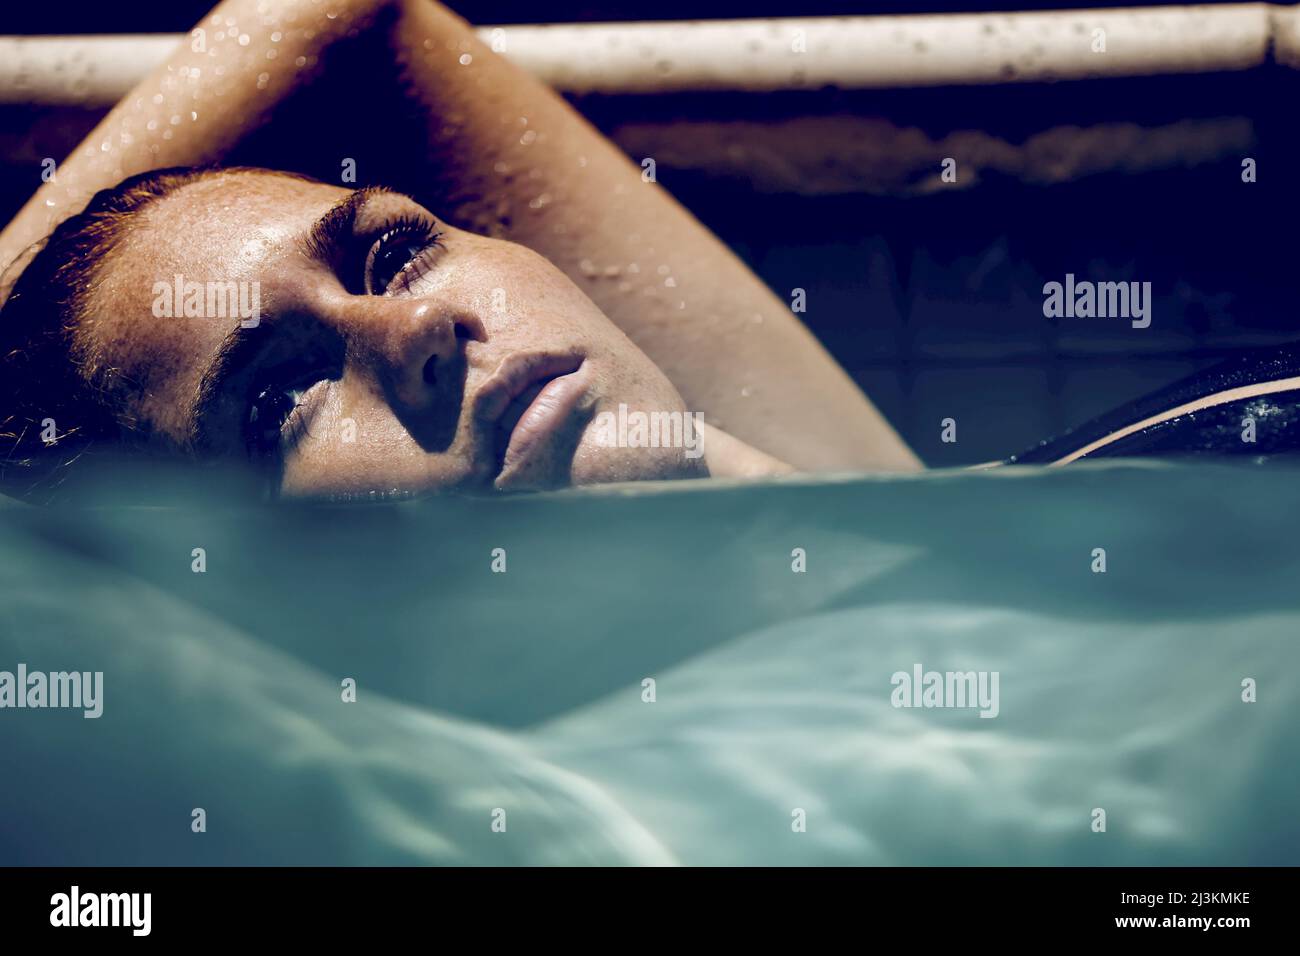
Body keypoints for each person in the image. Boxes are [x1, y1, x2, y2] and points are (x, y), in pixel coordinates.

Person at [0, 0, 920, 503]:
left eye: (393, 254)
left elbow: (342, 18)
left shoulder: (903, 525)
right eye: (277, 400)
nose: (419, 322)